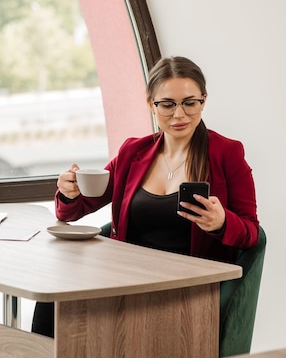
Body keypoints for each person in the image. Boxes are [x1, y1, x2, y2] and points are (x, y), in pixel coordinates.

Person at [31, 55, 259, 337]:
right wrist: (68, 192)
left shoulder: (228, 154)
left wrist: (222, 222)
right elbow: (71, 213)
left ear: (203, 100)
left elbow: (251, 233)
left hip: (185, 291)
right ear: (151, 104)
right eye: (167, 104)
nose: (179, 115)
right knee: (51, 295)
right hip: (125, 279)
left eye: (190, 102)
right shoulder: (132, 153)